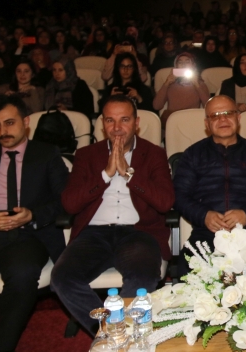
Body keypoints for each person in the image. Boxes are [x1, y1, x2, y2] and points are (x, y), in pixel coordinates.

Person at [51, 95, 175, 336]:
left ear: (136, 123)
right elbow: (70, 204)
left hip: (138, 233)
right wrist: (106, 174)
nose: (117, 127)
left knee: (142, 278)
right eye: (110, 120)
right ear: (102, 124)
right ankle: (111, 334)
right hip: (93, 234)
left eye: (124, 120)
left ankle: (118, 337)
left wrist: (129, 173)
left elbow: (165, 202)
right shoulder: (86, 155)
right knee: (62, 278)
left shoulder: (153, 154)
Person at [0, 95, 68, 352]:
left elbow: (65, 200)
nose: (3, 131)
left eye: (9, 123)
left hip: (27, 235)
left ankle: (2, 347)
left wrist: (32, 215)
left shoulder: (46, 154)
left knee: (22, 274)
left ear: (25, 122)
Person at [172, 95, 246, 276]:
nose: (222, 119)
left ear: (238, 118)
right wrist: (204, 215)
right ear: (207, 124)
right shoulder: (192, 155)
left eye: (228, 113)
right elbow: (178, 195)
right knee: (189, 271)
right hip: (206, 233)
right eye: (215, 115)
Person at [153, 52, 210, 129]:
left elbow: (208, 107)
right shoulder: (170, 84)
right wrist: (166, 83)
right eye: (180, 62)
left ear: (193, 65)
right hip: (172, 122)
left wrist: (197, 85)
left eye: (187, 62)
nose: (183, 65)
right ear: (176, 66)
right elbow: (156, 106)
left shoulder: (200, 84)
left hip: (191, 121)